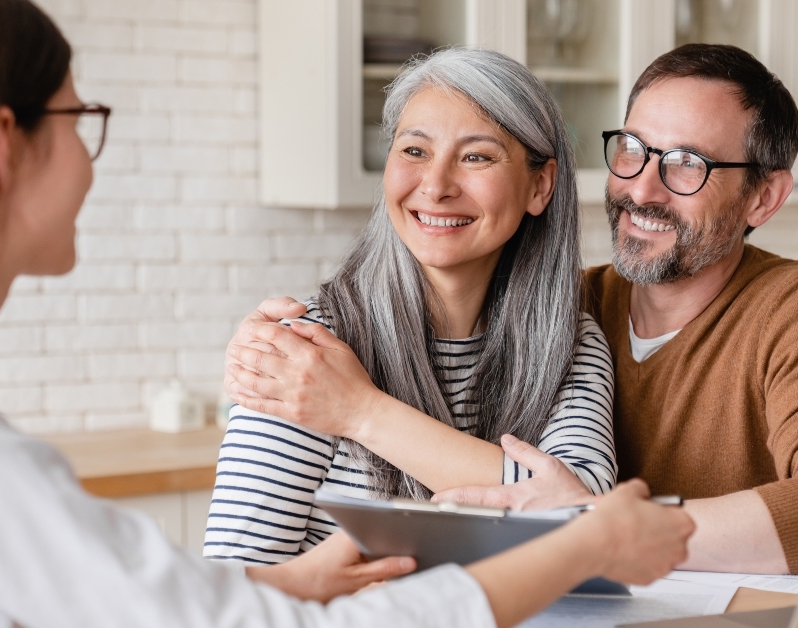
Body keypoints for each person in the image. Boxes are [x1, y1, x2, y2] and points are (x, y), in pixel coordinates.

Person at [0, 1, 695, 626]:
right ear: (6, 147)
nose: (90, 158)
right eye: (82, 118)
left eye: (475, 156)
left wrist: (298, 573)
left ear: (541, 184)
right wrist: (582, 543)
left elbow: (201, 610)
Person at [224, 44, 798, 576]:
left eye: (688, 164)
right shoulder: (576, 308)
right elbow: (232, 582)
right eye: (634, 151)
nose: (643, 188)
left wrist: (597, 524)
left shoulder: (572, 331)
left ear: (763, 198)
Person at [207, 48, 617, 564]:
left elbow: (583, 516)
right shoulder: (308, 354)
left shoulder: (570, 341)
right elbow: (233, 586)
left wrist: (361, 411)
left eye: (476, 156)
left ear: (540, 185)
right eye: (415, 151)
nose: (437, 186)